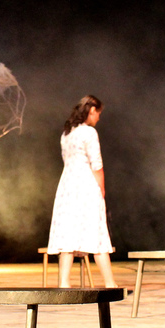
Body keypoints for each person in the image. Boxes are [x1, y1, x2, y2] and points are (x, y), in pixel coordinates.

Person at [46, 95, 118, 288]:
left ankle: (64, 283)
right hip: (86, 185)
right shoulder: (89, 132)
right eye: (98, 113)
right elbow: (97, 165)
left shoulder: (67, 133)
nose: (99, 118)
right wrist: (101, 190)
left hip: (67, 185)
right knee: (97, 231)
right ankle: (110, 283)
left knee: (68, 232)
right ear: (92, 111)